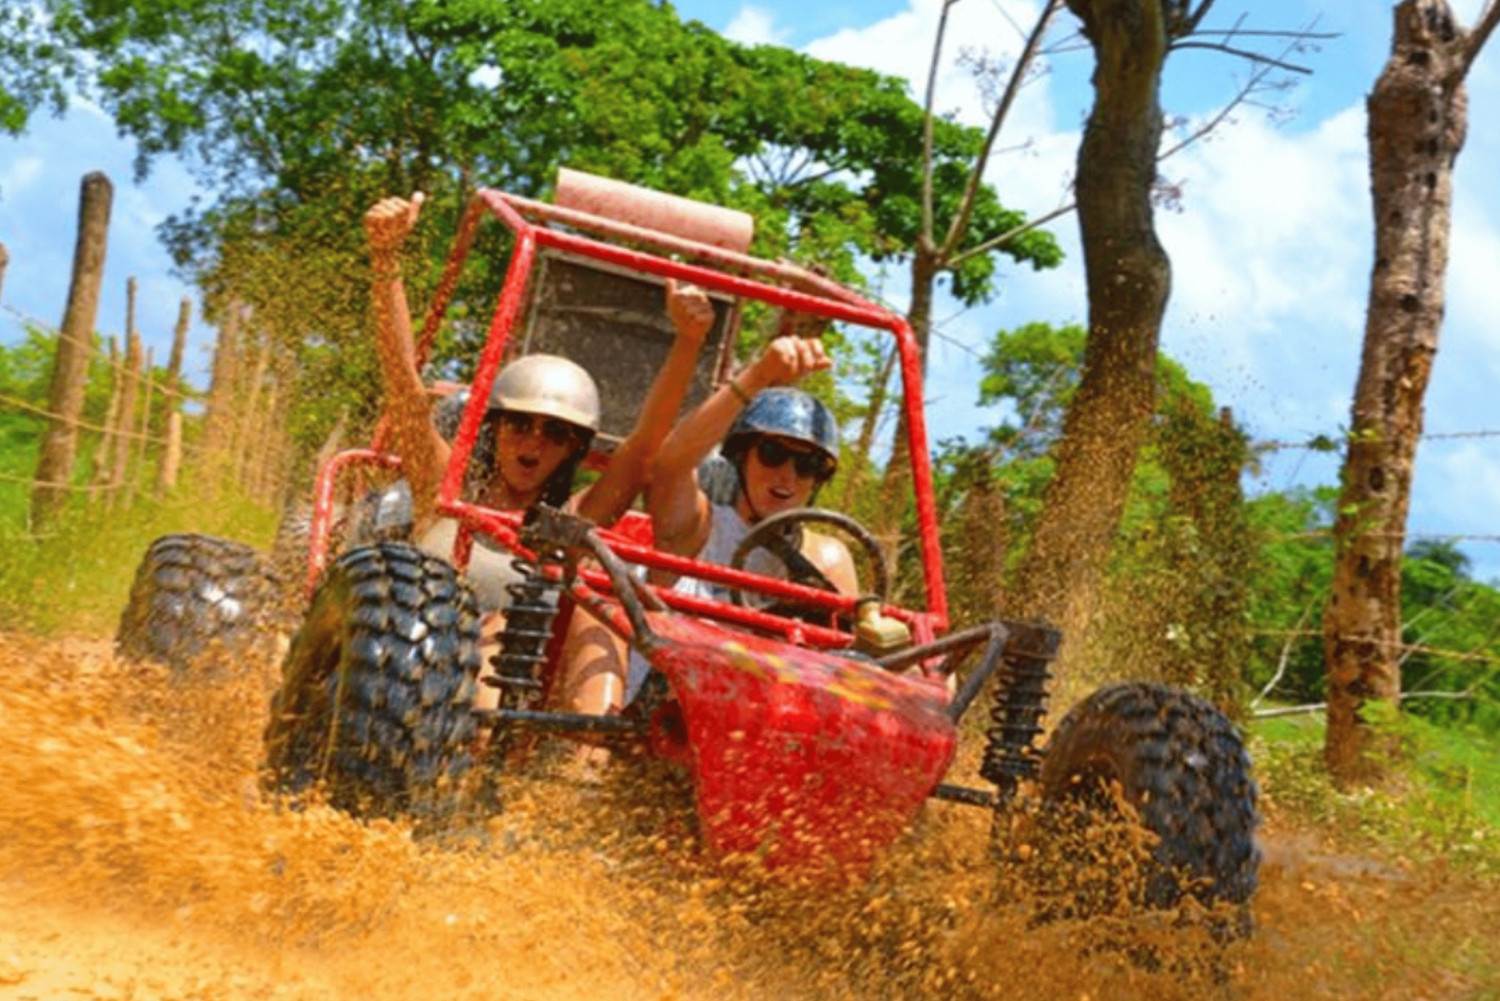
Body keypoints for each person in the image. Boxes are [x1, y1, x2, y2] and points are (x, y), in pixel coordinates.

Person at [364, 192, 714, 709]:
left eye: (555, 433)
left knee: (592, 613)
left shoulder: (566, 526)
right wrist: (385, 260)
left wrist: (688, 342)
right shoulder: (444, 485)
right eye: (520, 425)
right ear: (495, 427)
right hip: (391, 670)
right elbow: (405, 387)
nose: (533, 441)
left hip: (483, 702)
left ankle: (578, 776)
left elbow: (643, 451)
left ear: (574, 449)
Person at [608, 332, 857, 703]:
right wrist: (758, 376)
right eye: (772, 453)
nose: (787, 475)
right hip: (659, 711)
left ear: (818, 479)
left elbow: (851, 658)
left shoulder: (827, 559)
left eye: (806, 464)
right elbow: (671, 462)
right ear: (742, 457)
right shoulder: (700, 526)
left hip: (755, 725)